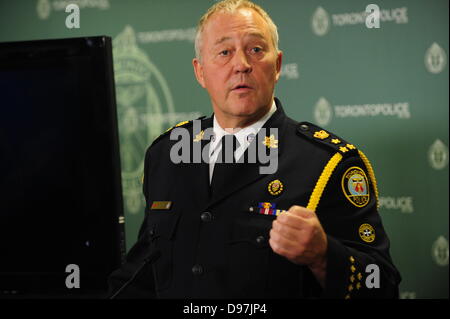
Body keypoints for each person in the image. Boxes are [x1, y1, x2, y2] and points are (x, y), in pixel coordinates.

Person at [108, 0, 401, 299]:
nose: (241, 64)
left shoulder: (328, 163)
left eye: (256, 50)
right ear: (200, 72)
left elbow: (383, 286)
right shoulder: (166, 153)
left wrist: (324, 256)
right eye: (224, 52)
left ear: (277, 66)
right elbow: (141, 275)